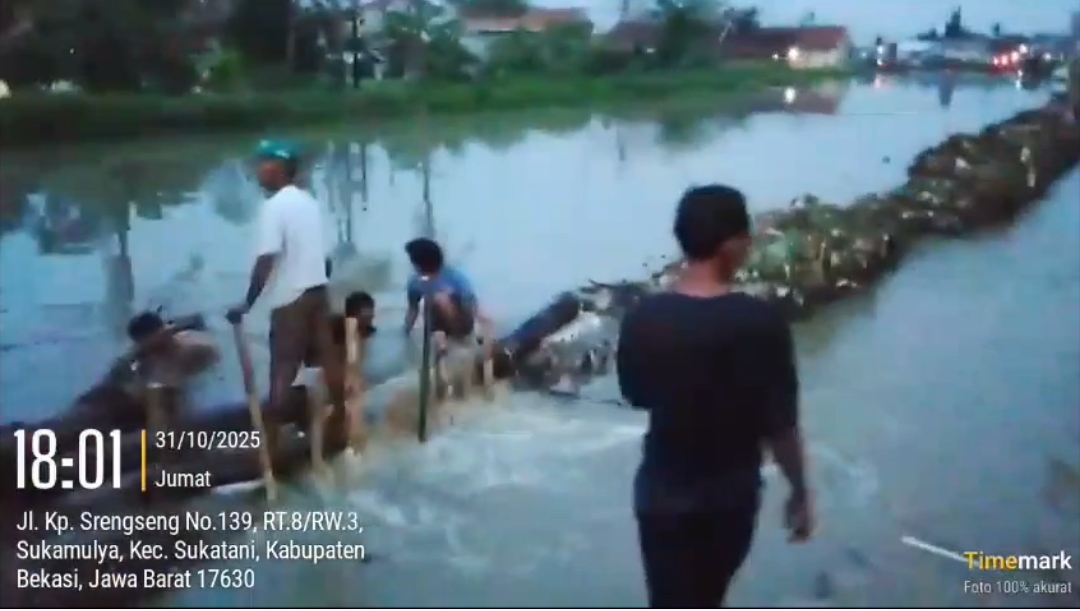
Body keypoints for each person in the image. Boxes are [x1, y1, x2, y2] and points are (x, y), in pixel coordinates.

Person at [616, 184, 813, 608]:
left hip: (660, 495)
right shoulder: (761, 322)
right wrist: (799, 492)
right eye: (747, 237)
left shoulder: (641, 318)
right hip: (728, 499)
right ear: (731, 245)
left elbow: (635, 395)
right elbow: (782, 427)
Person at [226, 140, 346, 433]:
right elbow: (323, 256)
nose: (257, 174)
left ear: (277, 169)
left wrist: (247, 303)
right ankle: (341, 416)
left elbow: (266, 258)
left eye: (262, 167)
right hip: (317, 290)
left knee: (283, 364)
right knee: (326, 358)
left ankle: (272, 437)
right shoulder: (309, 202)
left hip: (291, 297)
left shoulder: (274, 207)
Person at [402, 238, 490, 350]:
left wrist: (481, 328)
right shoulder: (415, 282)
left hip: (462, 321)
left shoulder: (454, 277)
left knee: (440, 298)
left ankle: (458, 338)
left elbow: (472, 304)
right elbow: (413, 309)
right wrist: (406, 331)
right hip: (437, 325)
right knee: (433, 301)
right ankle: (441, 341)